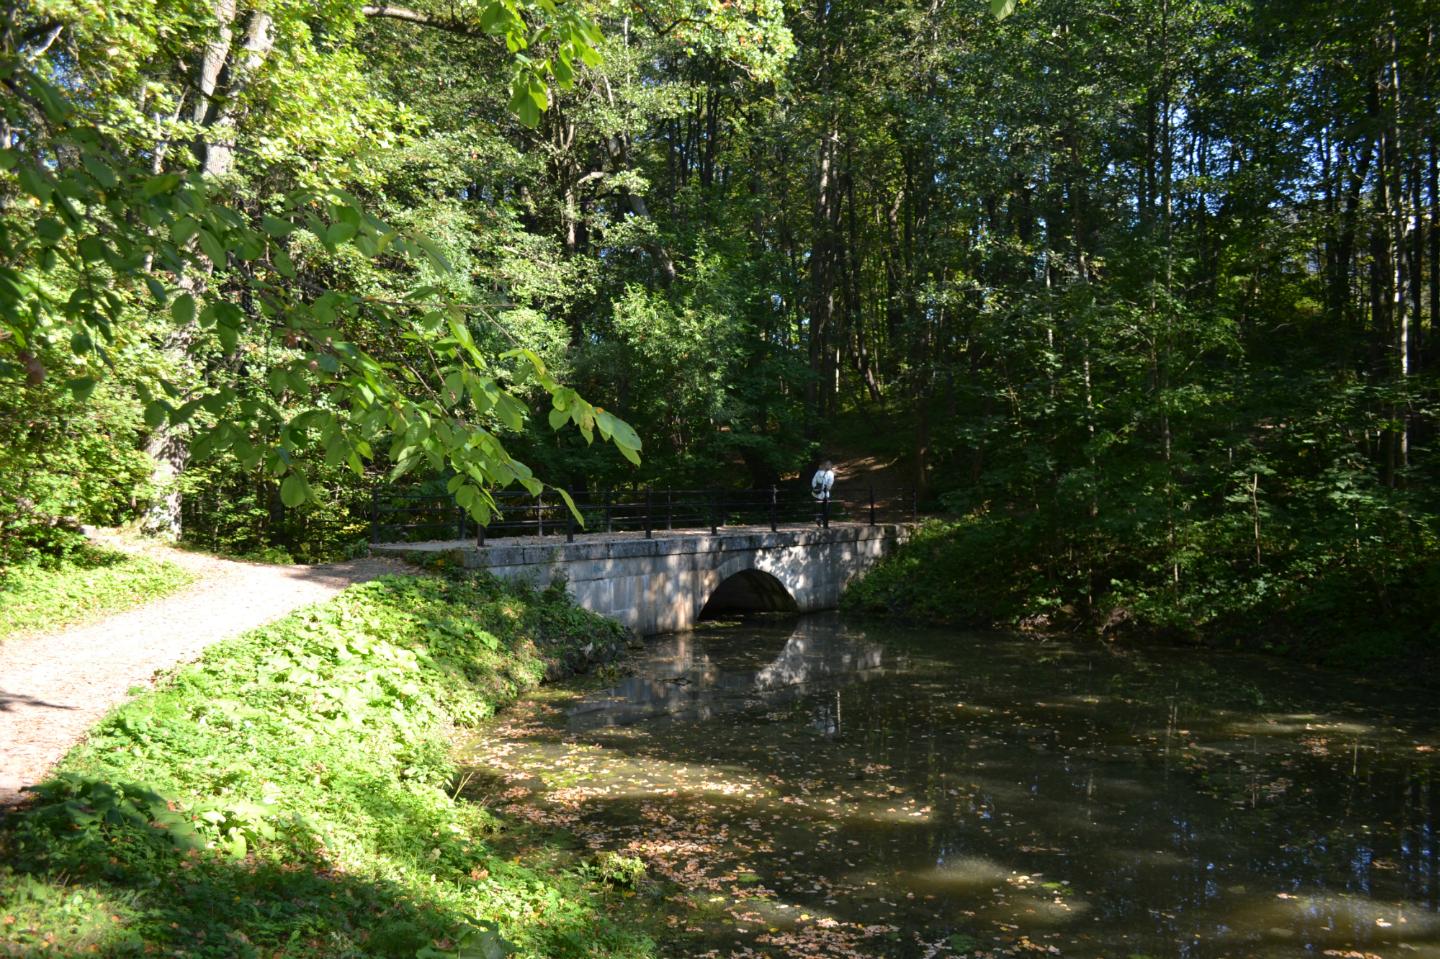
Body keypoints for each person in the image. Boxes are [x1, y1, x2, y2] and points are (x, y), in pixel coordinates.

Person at [810, 460, 835, 526]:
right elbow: (830, 483)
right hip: (825, 493)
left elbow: (813, 481)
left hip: (817, 493)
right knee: (827, 509)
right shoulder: (830, 473)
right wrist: (826, 489)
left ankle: (818, 518)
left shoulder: (818, 472)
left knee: (818, 507)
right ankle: (825, 524)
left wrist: (816, 488)